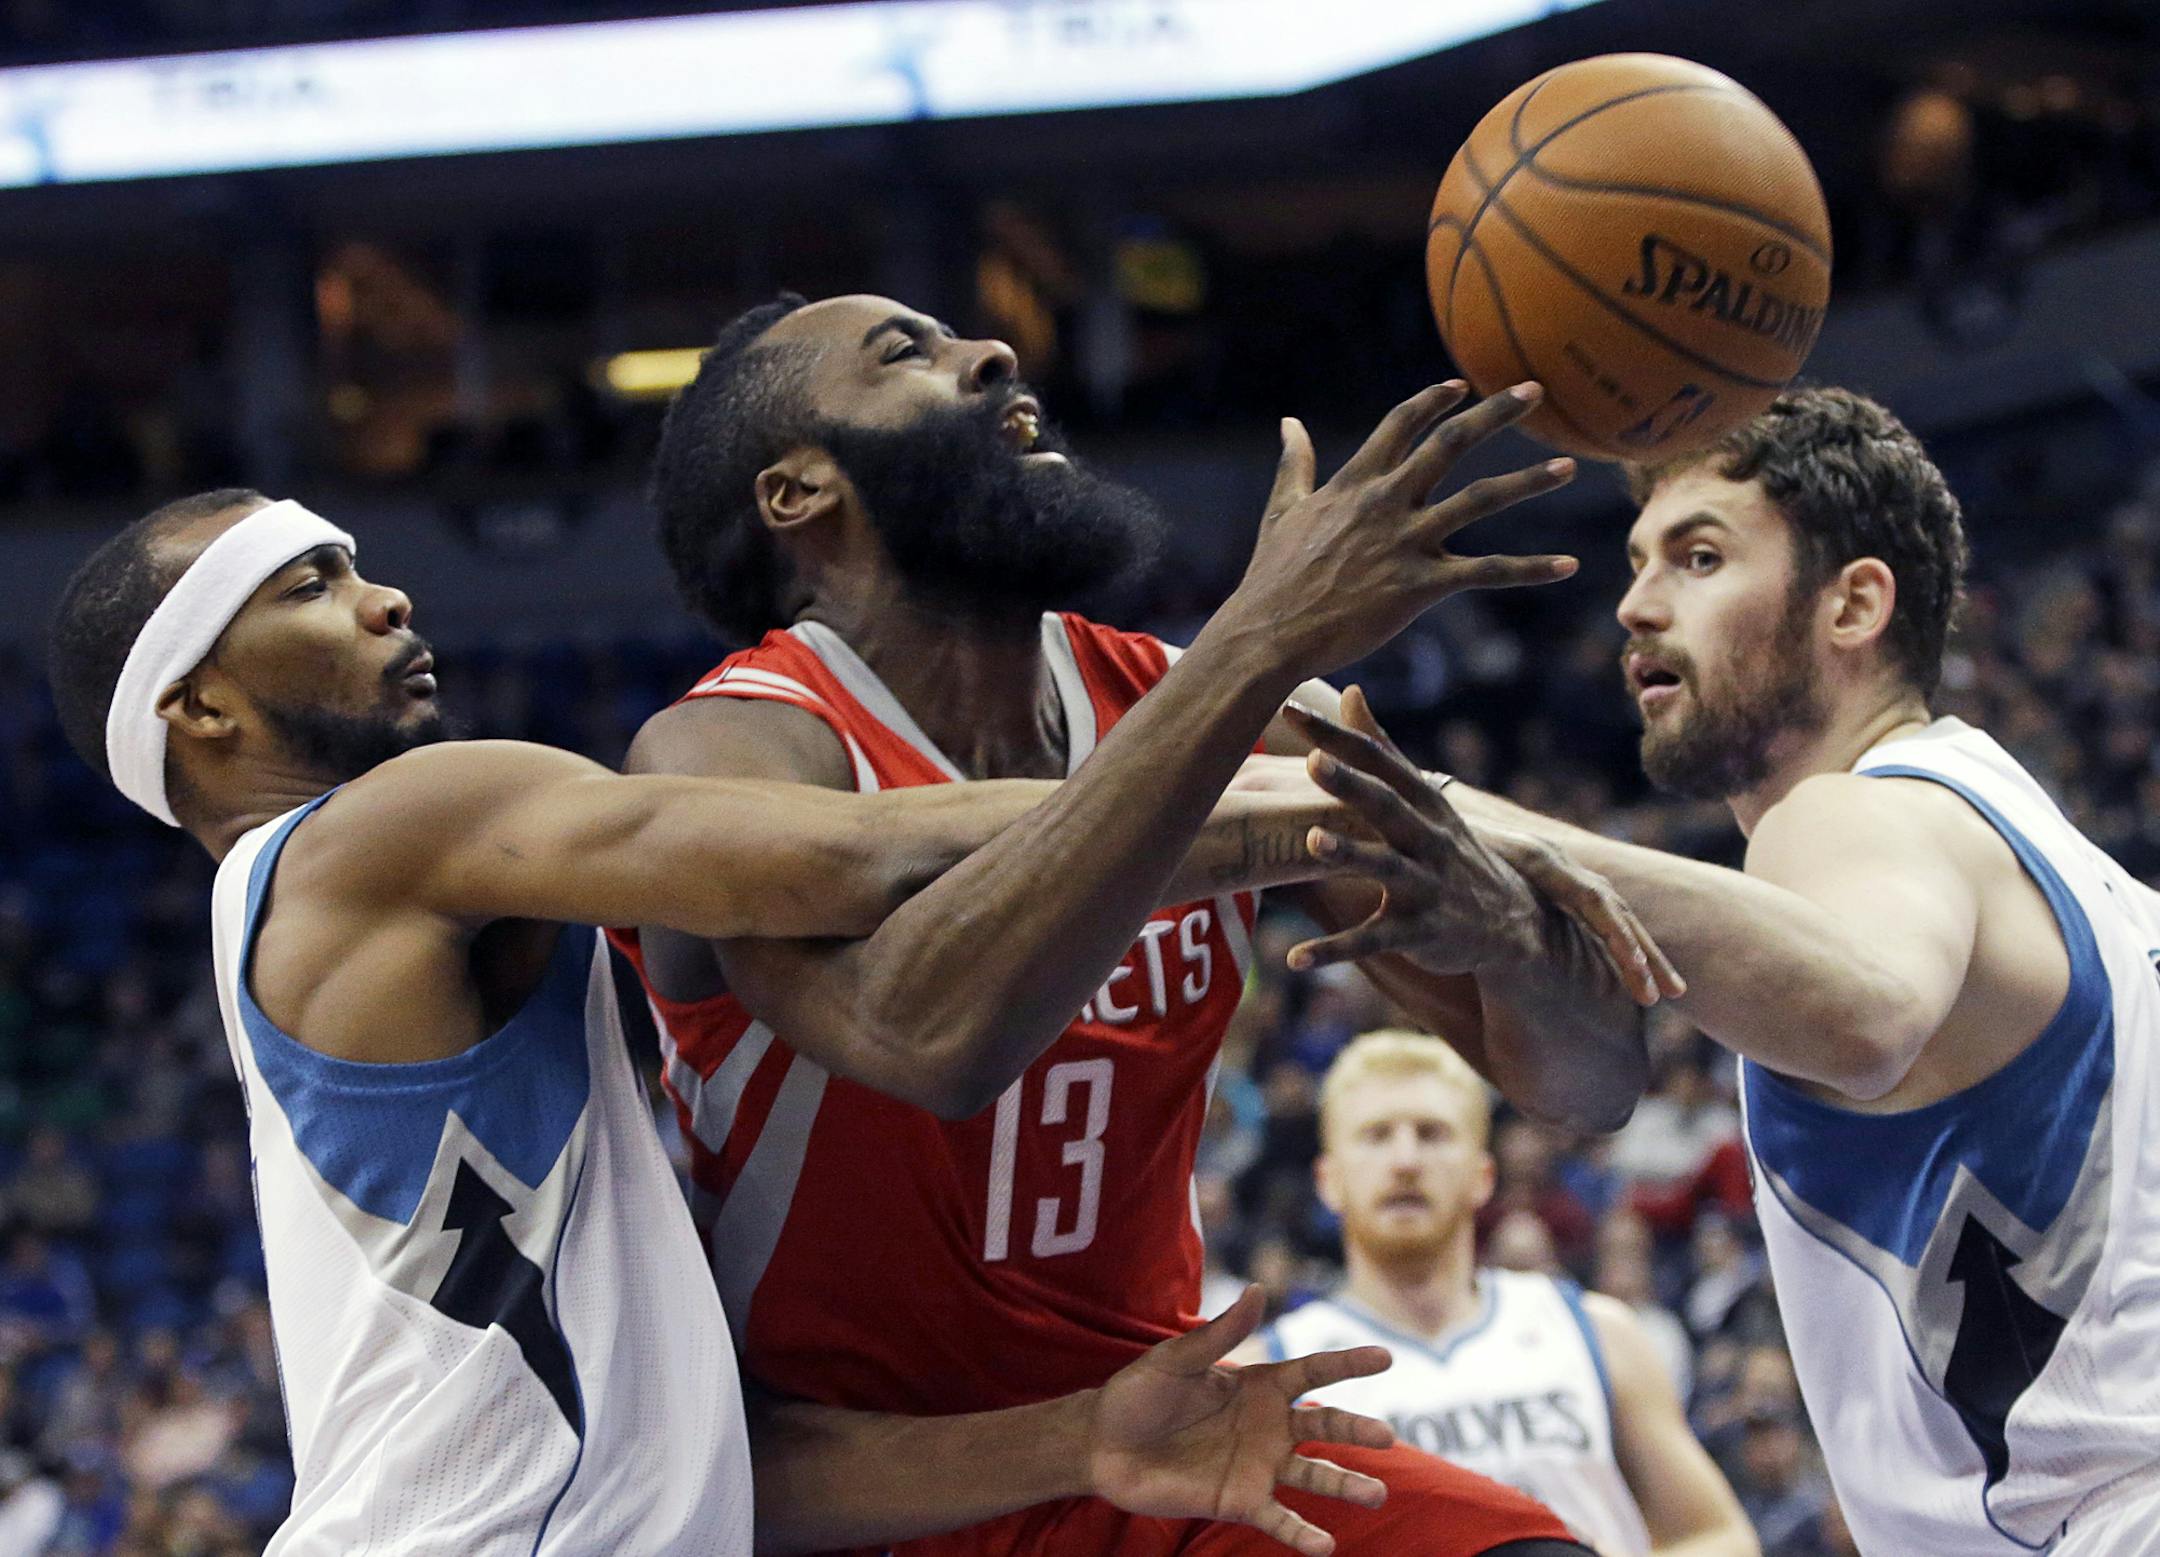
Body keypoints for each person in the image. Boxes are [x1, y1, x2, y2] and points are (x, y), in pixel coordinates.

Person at [40, 486, 1628, 1555]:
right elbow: (864, 847)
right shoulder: (388, 828)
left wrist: (1085, 1438)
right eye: (311, 585)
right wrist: (1283, 749)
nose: (384, 594)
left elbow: (754, 1466)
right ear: (200, 707)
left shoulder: (367, 934)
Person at [626, 290, 1678, 1556]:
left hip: (1167, 1446)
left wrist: (1510, 947)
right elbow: (930, 1040)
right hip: (872, 1489)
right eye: (905, 353)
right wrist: (1260, 639)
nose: (997, 350)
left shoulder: (1179, 699)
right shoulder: (732, 746)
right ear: (796, 494)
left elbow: (1591, 1083)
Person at [1290, 387, 2160, 1555]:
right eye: (1639, 563)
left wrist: (1471, 823)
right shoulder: (2032, 836)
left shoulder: (1854, 816)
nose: (1637, 607)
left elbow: (1867, 1009)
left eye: (1700, 559)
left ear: (1854, 603)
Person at [1243, 1031, 1755, 1557]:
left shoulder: (1594, 1330)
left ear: (1482, 1176)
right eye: (1375, 1135)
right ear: (1328, 1180)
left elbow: (1722, 1536)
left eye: (1432, 1133)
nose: (1405, 1160)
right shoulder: (1272, 1376)